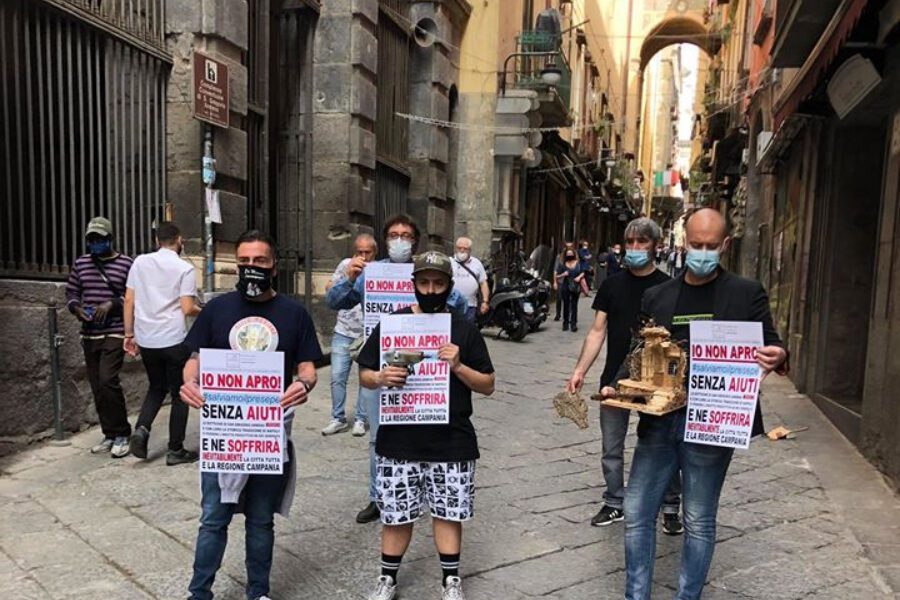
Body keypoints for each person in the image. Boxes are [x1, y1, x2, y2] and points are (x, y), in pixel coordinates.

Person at [599, 208, 788, 600]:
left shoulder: (746, 292)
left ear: (725, 245)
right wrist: (616, 386)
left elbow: (773, 344)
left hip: (712, 423)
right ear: (684, 242)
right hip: (659, 421)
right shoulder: (657, 295)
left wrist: (778, 356)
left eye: (710, 246)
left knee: (699, 519)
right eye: (696, 244)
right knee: (635, 513)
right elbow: (639, 353)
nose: (702, 252)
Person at [179, 230, 322, 600]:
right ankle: (199, 593)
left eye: (259, 261)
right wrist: (189, 384)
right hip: (223, 432)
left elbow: (308, 368)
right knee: (214, 518)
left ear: (274, 265)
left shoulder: (294, 314)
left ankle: (258, 592)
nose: (251, 268)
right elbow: (194, 360)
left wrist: (303, 386)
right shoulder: (216, 310)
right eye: (243, 262)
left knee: (261, 521)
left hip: (268, 434)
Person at [356, 251, 495, 600]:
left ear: (448, 287)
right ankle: (387, 579)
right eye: (424, 282)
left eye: (438, 283)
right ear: (413, 285)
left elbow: (488, 384)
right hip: (399, 437)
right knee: (396, 514)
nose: (430, 290)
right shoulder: (392, 324)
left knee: (448, 511)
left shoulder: (464, 330)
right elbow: (365, 374)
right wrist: (380, 376)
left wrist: (459, 366)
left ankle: (450, 580)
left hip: (452, 439)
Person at [326, 214, 467, 524]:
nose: (399, 239)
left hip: (429, 363)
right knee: (379, 436)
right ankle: (379, 497)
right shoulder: (369, 273)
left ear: (414, 240)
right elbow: (334, 301)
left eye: (405, 234)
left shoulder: (426, 273)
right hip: (383, 366)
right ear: (386, 239)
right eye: (393, 234)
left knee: (428, 428)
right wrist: (349, 277)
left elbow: (460, 307)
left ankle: (425, 488)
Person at [565, 218, 683, 532]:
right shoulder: (612, 284)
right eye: (629, 242)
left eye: (641, 242)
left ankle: (671, 506)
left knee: (663, 444)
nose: (634, 248)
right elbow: (596, 331)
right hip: (613, 382)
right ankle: (615, 500)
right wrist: (580, 370)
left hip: (654, 383)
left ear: (656, 246)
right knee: (611, 447)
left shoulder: (668, 287)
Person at [123, 222, 202, 465]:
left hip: (147, 339)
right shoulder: (184, 268)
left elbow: (128, 301)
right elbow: (188, 308)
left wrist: (129, 334)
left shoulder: (140, 262)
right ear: (179, 240)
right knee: (180, 393)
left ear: (157, 241)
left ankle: (142, 429)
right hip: (174, 339)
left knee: (156, 387)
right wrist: (205, 311)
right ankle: (175, 449)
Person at [65, 216, 133, 458]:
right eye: (91, 240)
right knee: (97, 385)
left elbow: (134, 297)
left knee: (107, 379)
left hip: (114, 330)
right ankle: (110, 433)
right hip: (90, 332)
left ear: (110, 239)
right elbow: (71, 292)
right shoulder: (81, 264)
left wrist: (112, 303)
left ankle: (123, 433)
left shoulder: (126, 264)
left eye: (99, 239)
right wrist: (77, 309)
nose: (95, 244)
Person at [322, 233, 378, 436]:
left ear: (375, 253)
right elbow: (329, 289)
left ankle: (361, 420)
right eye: (359, 251)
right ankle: (337, 418)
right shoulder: (346, 264)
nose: (363, 256)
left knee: (365, 378)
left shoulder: (380, 268)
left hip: (367, 332)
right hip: (344, 330)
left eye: (367, 252)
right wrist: (348, 275)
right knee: (337, 376)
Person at [450, 237, 490, 323]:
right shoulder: (449, 262)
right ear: (456, 248)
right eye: (459, 248)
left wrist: (485, 301)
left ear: (470, 250)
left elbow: (483, 283)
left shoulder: (477, 263)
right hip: (451, 304)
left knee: (467, 330)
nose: (462, 250)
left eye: (465, 248)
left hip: (470, 306)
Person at [554, 247, 586, 332]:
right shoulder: (563, 264)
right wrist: (563, 274)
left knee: (574, 305)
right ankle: (565, 323)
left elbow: (583, 272)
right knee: (566, 305)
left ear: (574, 255)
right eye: (568, 254)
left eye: (571, 254)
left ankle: (573, 324)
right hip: (566, 286)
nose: (569, 256)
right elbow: (557, 275)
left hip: (576, 286)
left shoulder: (578, 263)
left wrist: (579, 277)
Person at [553, 241, 576, 321]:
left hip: (570, 281)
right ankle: (558, 314)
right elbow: (555, 270)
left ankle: (567, 315)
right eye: (567, 247)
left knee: (568, 299)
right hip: (561, 280)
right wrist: (555, 281)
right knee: (559, 298)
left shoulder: (574, 257)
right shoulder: (559, 257)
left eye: (570, 247)